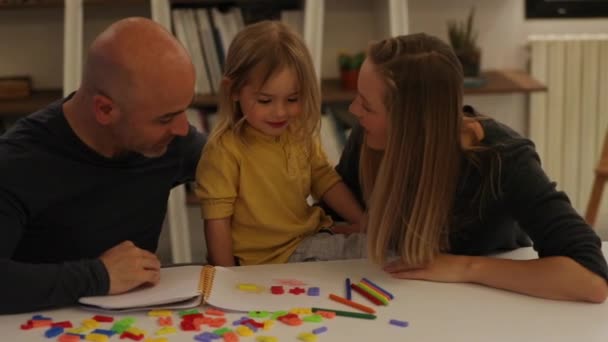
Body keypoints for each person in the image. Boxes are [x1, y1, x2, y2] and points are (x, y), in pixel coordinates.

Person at [336, 33, 608, 302]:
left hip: (486, 306)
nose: (354, 110)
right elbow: (331, 219)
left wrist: (465, 267)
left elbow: (590, 279)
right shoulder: (370, 136)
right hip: (395, 296)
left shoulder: (503, 158)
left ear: (411, 124)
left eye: (368, 106)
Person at [0, 17, 206, 314]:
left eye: (184, 110)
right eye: (165, 118)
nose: (183, 129)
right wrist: (100, 276)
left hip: (138, 326)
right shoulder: (16, 163)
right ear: (105, 109)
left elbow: (247, 167)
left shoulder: (171, 143)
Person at [195, 21, 363, 266]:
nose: (280, 112)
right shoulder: (224, 151)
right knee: (381, 255)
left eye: (293, 99)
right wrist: (227, 279)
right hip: (272, 259)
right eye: (265, 101)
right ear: (233, 91)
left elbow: (324, 179)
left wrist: (362, 221)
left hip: (311, 237)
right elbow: (216, 220)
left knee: (380, 246)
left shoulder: (298, 132)